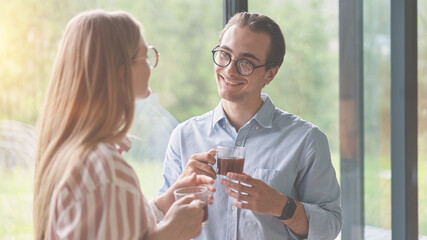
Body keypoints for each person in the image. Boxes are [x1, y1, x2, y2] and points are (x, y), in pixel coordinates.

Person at [33, 10, 214, 240]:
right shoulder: (108, 169)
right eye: (145, 56)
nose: (151, 66)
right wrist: (170, 234)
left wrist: (164, 203)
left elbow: (111, 227)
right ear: (122, 74)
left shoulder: (74, 154)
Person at [159, 12, 342, 239]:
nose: (229, 70)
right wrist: (180, 189)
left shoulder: (307, 140)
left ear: (270, 74)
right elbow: (161, 224)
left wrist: (281, 206)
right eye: (225, 55)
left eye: (246, 63)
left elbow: (331, 225)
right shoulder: (184, 136)